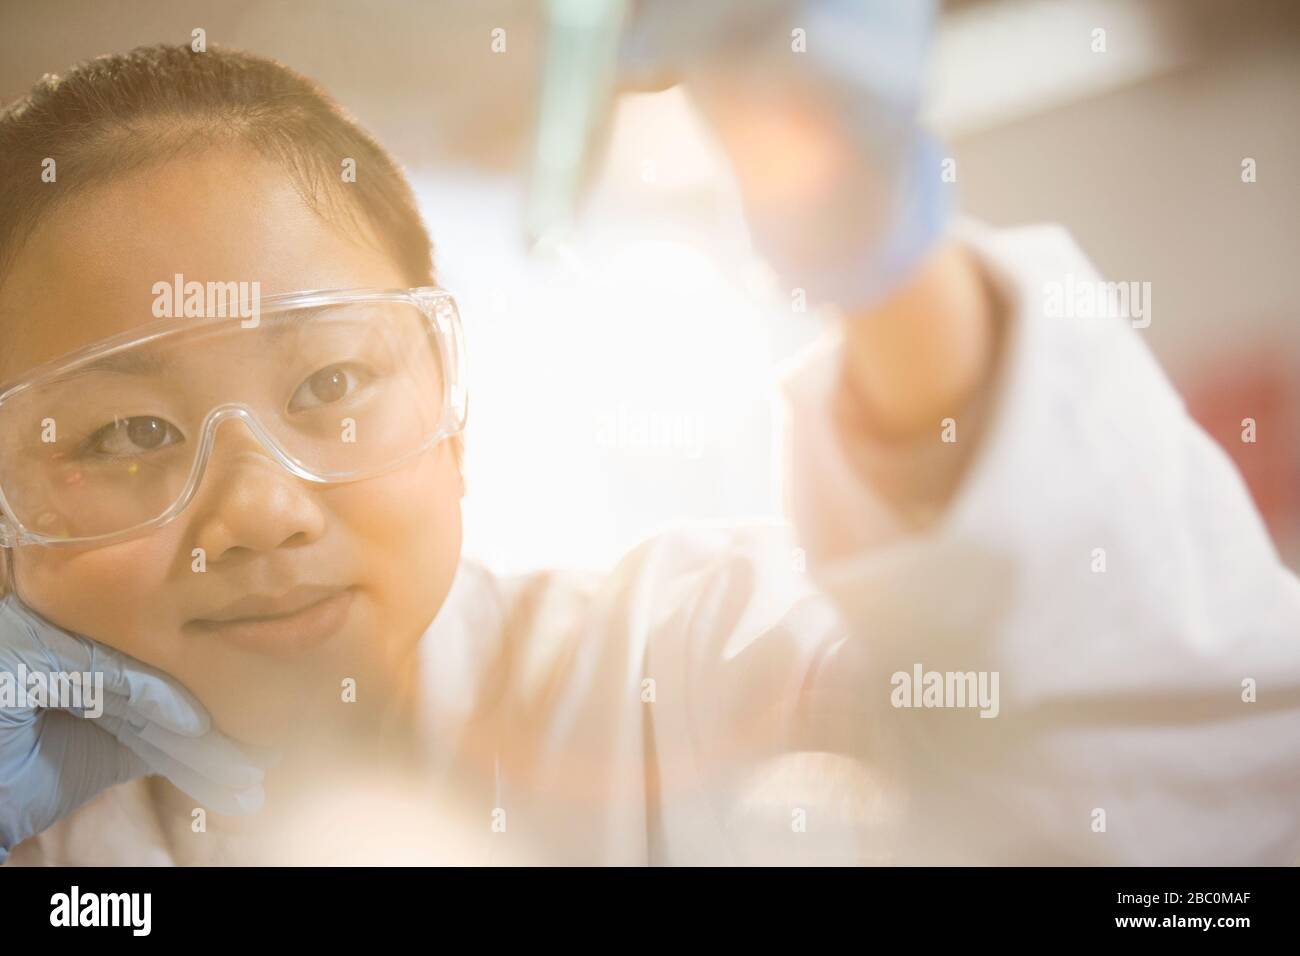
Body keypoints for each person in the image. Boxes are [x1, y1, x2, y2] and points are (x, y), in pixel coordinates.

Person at [1, 29, 1297, 865]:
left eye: (332, 381)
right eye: (128, 432)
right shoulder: (50, 840)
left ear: (454, 416)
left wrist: (888, 272)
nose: (261, 509)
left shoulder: (689, 669)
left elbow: (1201, 790)